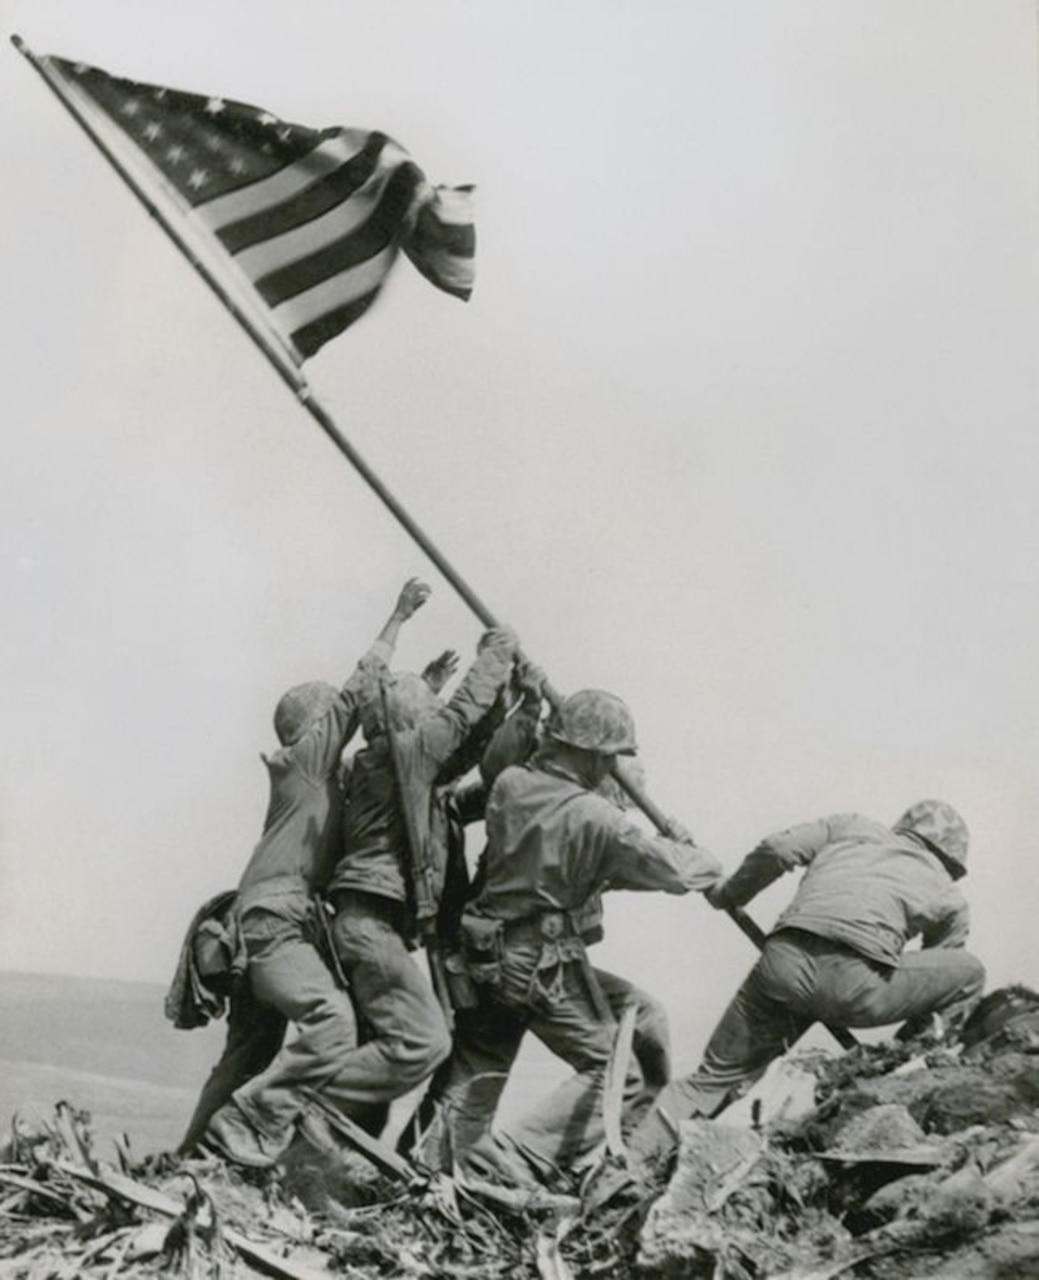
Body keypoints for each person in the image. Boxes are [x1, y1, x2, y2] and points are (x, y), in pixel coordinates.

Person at [436, 689, 723, 1185]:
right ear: (591, 754)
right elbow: (676, 873)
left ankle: (433, 1163)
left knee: (481, 1065)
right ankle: (516, 1161)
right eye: (609, 756)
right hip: (538, 961)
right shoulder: (596, 818)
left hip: (488, 952)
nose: (611, 766)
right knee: (618, 1072)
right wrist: (695, 852)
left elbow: (595, 861)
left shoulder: (512, 784)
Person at [623, 799, 986, 1179]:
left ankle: (627, 1168)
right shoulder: (949, 895)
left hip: (782, 966)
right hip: (855, 986)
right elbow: (937, 984)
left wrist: (730, 895)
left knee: (709, 1080)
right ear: (951, 859)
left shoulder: (851, 825)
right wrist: (909, 1044)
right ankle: (905, 1065)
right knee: (970, 972)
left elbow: (777, 849)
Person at [200, 578, 431, 1168]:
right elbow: (357, 696)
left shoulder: (321, 783)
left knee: (248, 1053)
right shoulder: (303, 764)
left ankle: (193, 1159)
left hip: (274, 923)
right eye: (329, 722)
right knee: (332, 1020)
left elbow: (384, 738)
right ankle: (254, 1123)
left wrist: (425, 689)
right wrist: (398, 617)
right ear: (312, 729)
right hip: (275, 922)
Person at [303, 622, 521, 1147]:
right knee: (424, 1041)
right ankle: (301, 1102)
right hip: (371, 926)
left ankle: (324, 1154)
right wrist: (497, 651)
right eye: (428, 710)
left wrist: (512, 702)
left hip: (368, 926)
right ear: (410, 723)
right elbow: (461, 716)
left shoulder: (388, 766)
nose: (435, 717)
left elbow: (465, 748)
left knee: (381, 1061)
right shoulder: (406, 754)